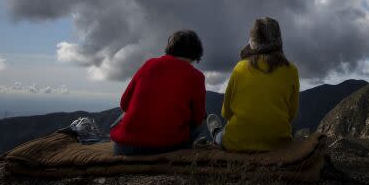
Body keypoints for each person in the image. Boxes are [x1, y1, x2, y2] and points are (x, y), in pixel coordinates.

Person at [110, 30, 214, 155]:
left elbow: (124, 103)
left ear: (170, 48)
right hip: (167, 147)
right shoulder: (196, 76)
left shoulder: (149, 64)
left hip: (125, 148)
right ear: (196, 52)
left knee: (124, 115)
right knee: (204, 118)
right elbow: (197, 119)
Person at [209, 17, 299, 151]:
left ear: (252, 42)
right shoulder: (292, 70)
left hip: (237, 143)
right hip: (278, 143)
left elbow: (226, 112)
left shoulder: (239, 68)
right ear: (279, 40)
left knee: (220, 135)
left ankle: (216, 132)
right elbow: (291, 115)